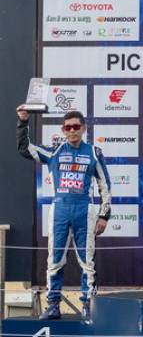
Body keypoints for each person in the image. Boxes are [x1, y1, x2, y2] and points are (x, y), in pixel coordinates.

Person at [16, 108, 111, 322]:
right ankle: (53, 305)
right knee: (55, 259)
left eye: (76, 127)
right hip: (59, 210)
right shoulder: (55, 152)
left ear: (83, 128)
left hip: (84, 210)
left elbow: (105, 186)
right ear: (63, 130)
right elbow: (25, 148)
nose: (72, 131)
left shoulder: (94, 152)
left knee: (87, 261)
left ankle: (88, 305)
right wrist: (23, 122)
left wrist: (104, 215)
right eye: (68, 127)